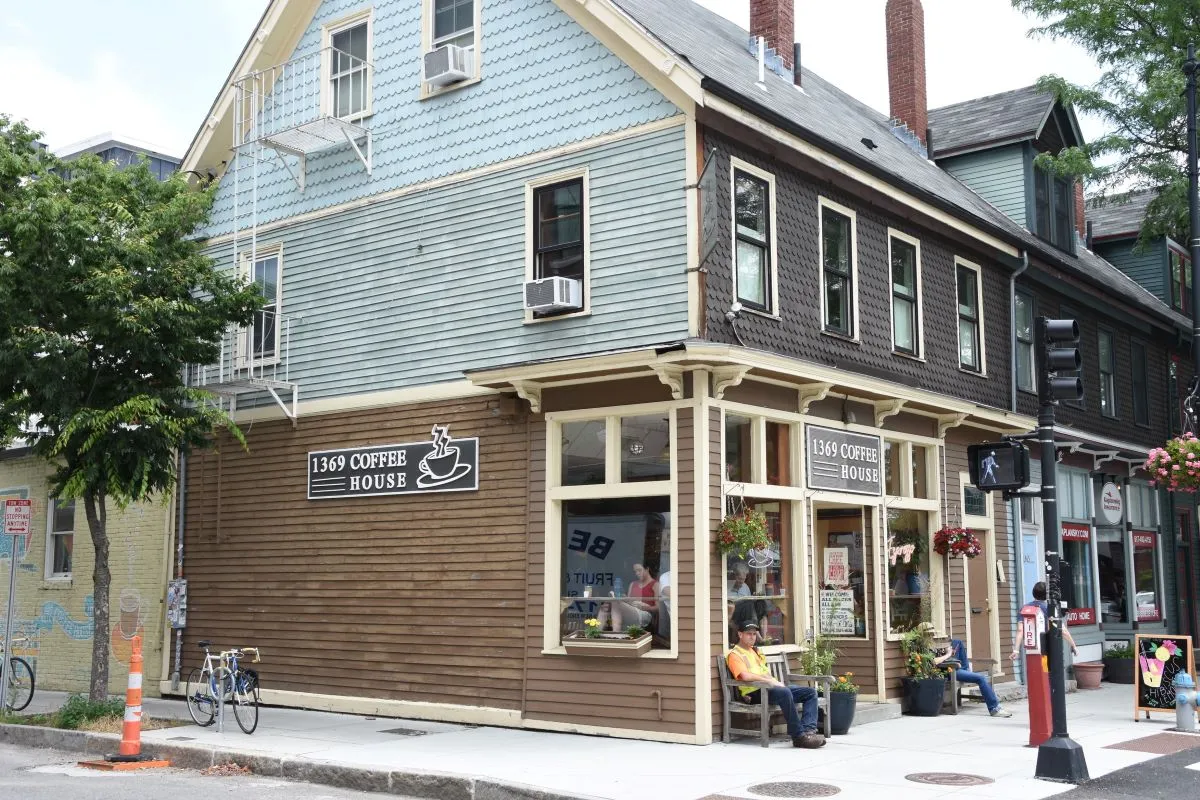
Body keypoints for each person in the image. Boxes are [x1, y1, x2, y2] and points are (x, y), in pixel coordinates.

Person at [726, 621, 825, 749]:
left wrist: (776, 682)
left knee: (810, 692)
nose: (752, 637)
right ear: (740, 634)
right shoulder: (734, 654)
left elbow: (765, 673)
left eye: (754, 634)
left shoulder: (755, 651)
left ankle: (808, 732)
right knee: (785, 692)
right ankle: (798, 737)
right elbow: (745, 676)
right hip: (755, 692)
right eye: (748, 634)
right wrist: (770, 681)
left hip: (770, 688)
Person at [933, 638, 1012, 717]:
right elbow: (934, 661)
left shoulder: (947, 644)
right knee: (981, 678)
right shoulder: (929, 647)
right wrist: (948, 654)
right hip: (950, 671)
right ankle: (994, 709)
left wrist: (948, 650)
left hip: (957, 667)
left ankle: (966, 669)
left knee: (958, 642)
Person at [1008, 581, 1078, 660]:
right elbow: (1063, 630)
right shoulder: (1050, 609)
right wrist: (1073, 645)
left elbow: (1020, 630)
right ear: (1047, 595)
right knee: (1046, 670)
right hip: (1047, 647)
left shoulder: (1024, 608)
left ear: (1033, 593)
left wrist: (1016, 650)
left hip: (1030, 649)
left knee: (1033, 670)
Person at [601, 562, 657, 631]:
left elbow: (658, 608)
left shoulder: (655, 584)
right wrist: (624, 598)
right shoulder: (633, 584)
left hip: (645, 614)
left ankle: (616, 633)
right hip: (631, 609)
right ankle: (595, 634)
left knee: (615, 602)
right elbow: (628, 601)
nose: (637, 573)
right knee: (605, 606)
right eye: (635, 571)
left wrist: (643, 607)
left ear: (647, 569)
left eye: (639, 570)